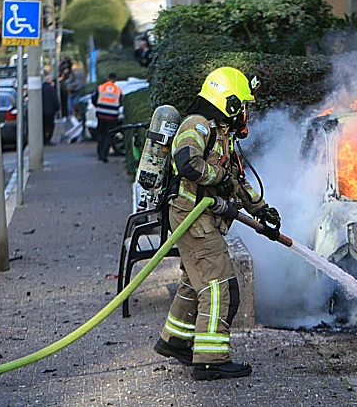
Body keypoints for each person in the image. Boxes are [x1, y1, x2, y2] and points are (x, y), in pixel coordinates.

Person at [153, 67, 282, 381]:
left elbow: (236, 179)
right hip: (190, 216)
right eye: (243, 104)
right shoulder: (195, 125)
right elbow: (188, 163)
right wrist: (219, 178)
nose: (246, 112)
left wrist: (262, 209)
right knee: (219, 285)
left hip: (200, 217)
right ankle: (210, 360)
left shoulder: (221, 134)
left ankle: (176, 341)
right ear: (230, 102)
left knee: (195, 280)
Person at [94, 73, 122, 162]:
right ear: (115, 80)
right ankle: (104, 155)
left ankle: (99, 154)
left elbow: (94, 98)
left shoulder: (101, 87)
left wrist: (98, 106)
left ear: (108, 78)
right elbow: (121, 102)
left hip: (101, 114)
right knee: (109, 135)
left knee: (101, 134)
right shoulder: (118, 90)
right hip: (112, 116)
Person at [42, 74, 60, 145]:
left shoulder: (41, 88)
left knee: (43, 126)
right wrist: (57, 108)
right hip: (50, 110)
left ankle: (44, 139)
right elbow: (54, 99)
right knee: (50, 125)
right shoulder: (51, 89)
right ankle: (48, 139)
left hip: (42, 111)